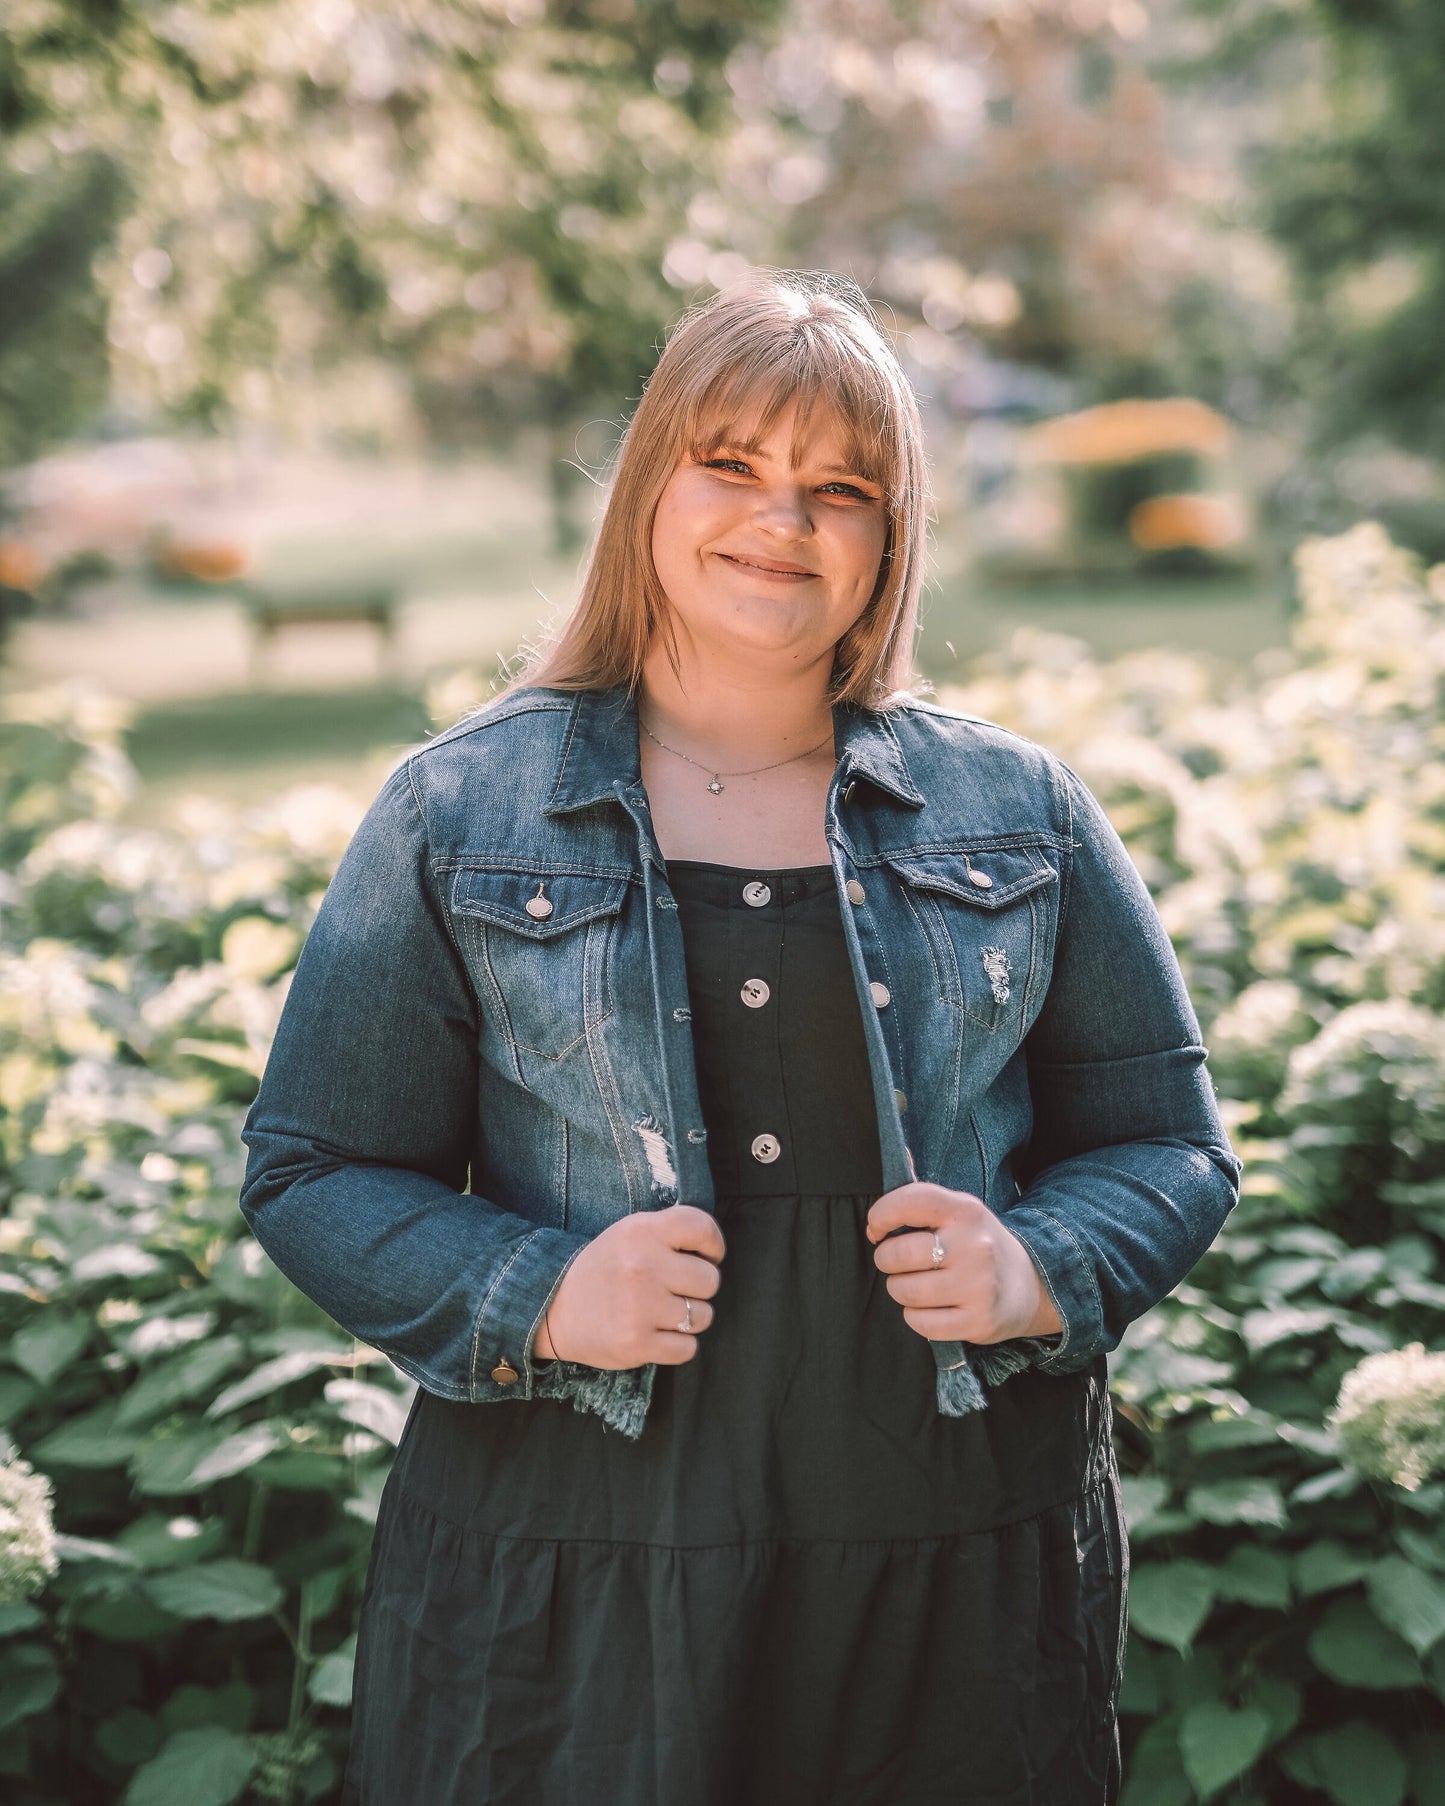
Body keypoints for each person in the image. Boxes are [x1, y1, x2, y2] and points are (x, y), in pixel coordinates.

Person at [239, 268, 1242, 1805]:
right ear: (650, 484)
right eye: (734, 465)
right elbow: (314, 1167)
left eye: (839, 488)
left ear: (889, 540)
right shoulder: (458, 811)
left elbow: (1166, 1142)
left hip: (954, 1559)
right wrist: (542, 1289)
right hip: (571, 1566)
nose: (783, 518)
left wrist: (1038, 1266)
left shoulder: (1018, 810)